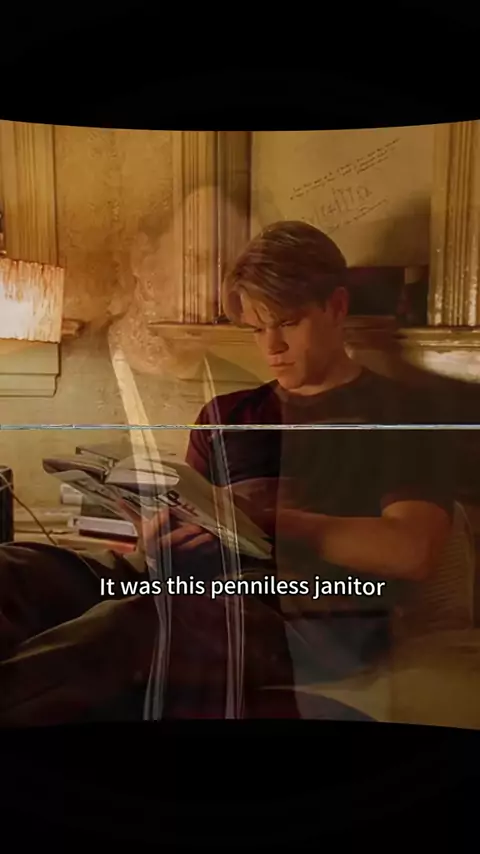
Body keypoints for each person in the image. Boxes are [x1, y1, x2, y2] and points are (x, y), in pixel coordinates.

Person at [0, 220, 453, 724]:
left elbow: (412, 551)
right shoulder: (227, 414)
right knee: (17, 568)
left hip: (311, 606)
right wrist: (158, 540)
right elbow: (192, 517)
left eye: (287, 322)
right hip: (191, 580)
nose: (271, 346)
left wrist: (270, 520)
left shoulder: (400, 415)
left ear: (336, 307)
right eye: (257, 328)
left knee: (134, 624)